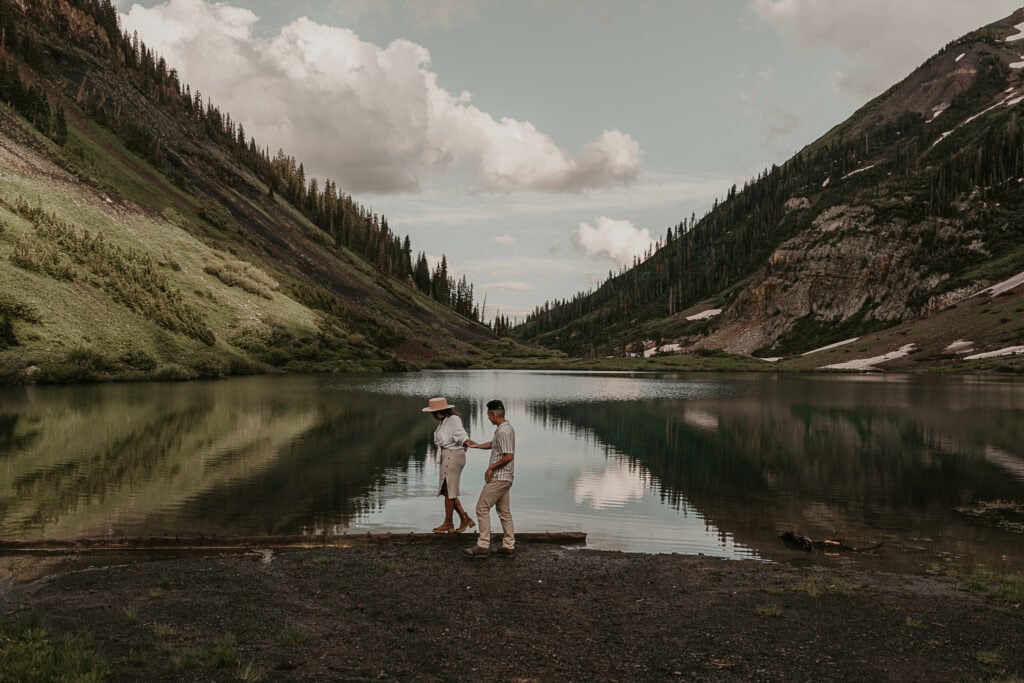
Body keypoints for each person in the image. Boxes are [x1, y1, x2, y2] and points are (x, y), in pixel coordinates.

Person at [463, 399, 515, 558]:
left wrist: (491, 468)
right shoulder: (505, 428)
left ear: (493, 414)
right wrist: (477, 445)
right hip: (506, 477)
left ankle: (483, 545)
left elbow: (508, 456)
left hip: (500, 477)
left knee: (481, 508)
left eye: (488, 414)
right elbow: (495, 445)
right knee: (504, 511)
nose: (487, 417)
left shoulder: (503, 431)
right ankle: (508, 546)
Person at [422, 396, 475, 534]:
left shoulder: (453, 420)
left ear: (439, 412)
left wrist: (467, 441)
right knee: (447, 490)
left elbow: (460, 434)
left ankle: (448, 522)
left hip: (453, 456)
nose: (433, 416)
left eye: (433, 413)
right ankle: (464, 518)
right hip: (448, 456)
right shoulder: (444, 421)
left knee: (449, 489)